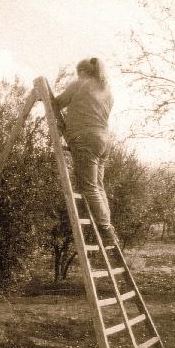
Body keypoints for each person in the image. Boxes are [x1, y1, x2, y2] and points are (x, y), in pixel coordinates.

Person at [55, 57, 118, 244]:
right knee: (98, 186)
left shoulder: (80, 83)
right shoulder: (107, 91)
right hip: (104, 141)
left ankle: (107, 231)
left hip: (86, 138)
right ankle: (108, 226)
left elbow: (57, 103)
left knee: (89, 187)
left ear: (82, 71)